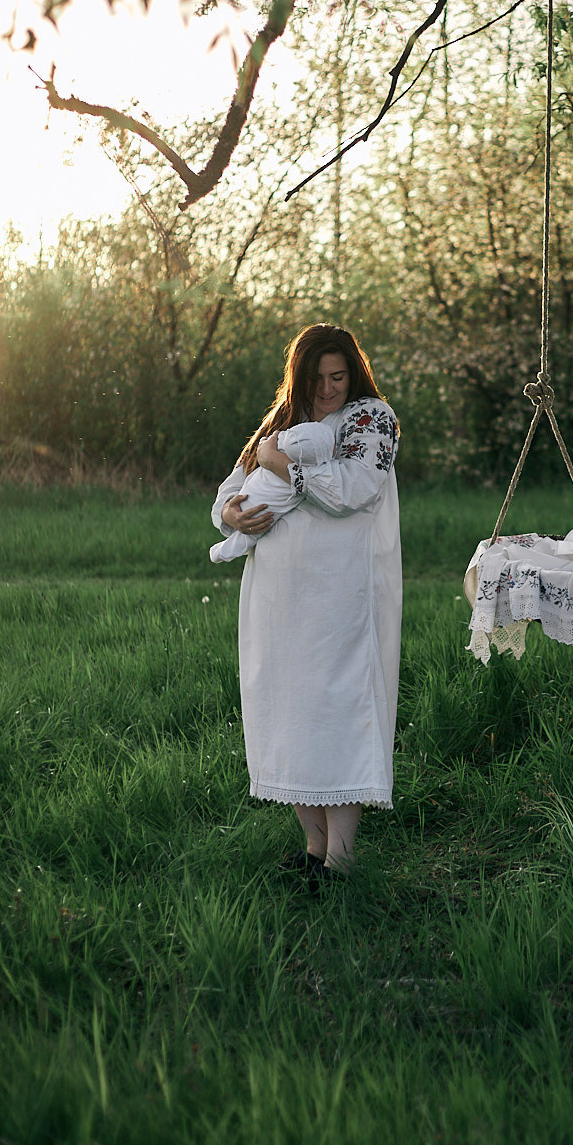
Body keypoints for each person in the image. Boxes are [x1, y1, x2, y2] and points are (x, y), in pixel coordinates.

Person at [210, 324, 401, 883]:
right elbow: (229, 491)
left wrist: (281, 467)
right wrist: (231, 513)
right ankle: (314, 848)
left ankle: (341, 858)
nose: (327, 389)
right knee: (288, 710)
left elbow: (352, 490)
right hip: (277, 597)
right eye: (315, 378)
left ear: (353, 373)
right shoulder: (283, 420)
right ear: (298, 377)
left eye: (337, 376)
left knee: (336, 711)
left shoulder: (372, 418)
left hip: (341, 597)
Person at [209, 416, 337, 563]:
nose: (326, 392)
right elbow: (232, 486)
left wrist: (272, 460)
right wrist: (230, 513)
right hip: (269, 563)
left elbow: (345, 494)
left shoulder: (355, 422)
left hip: (329, 561)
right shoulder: (280, 420)